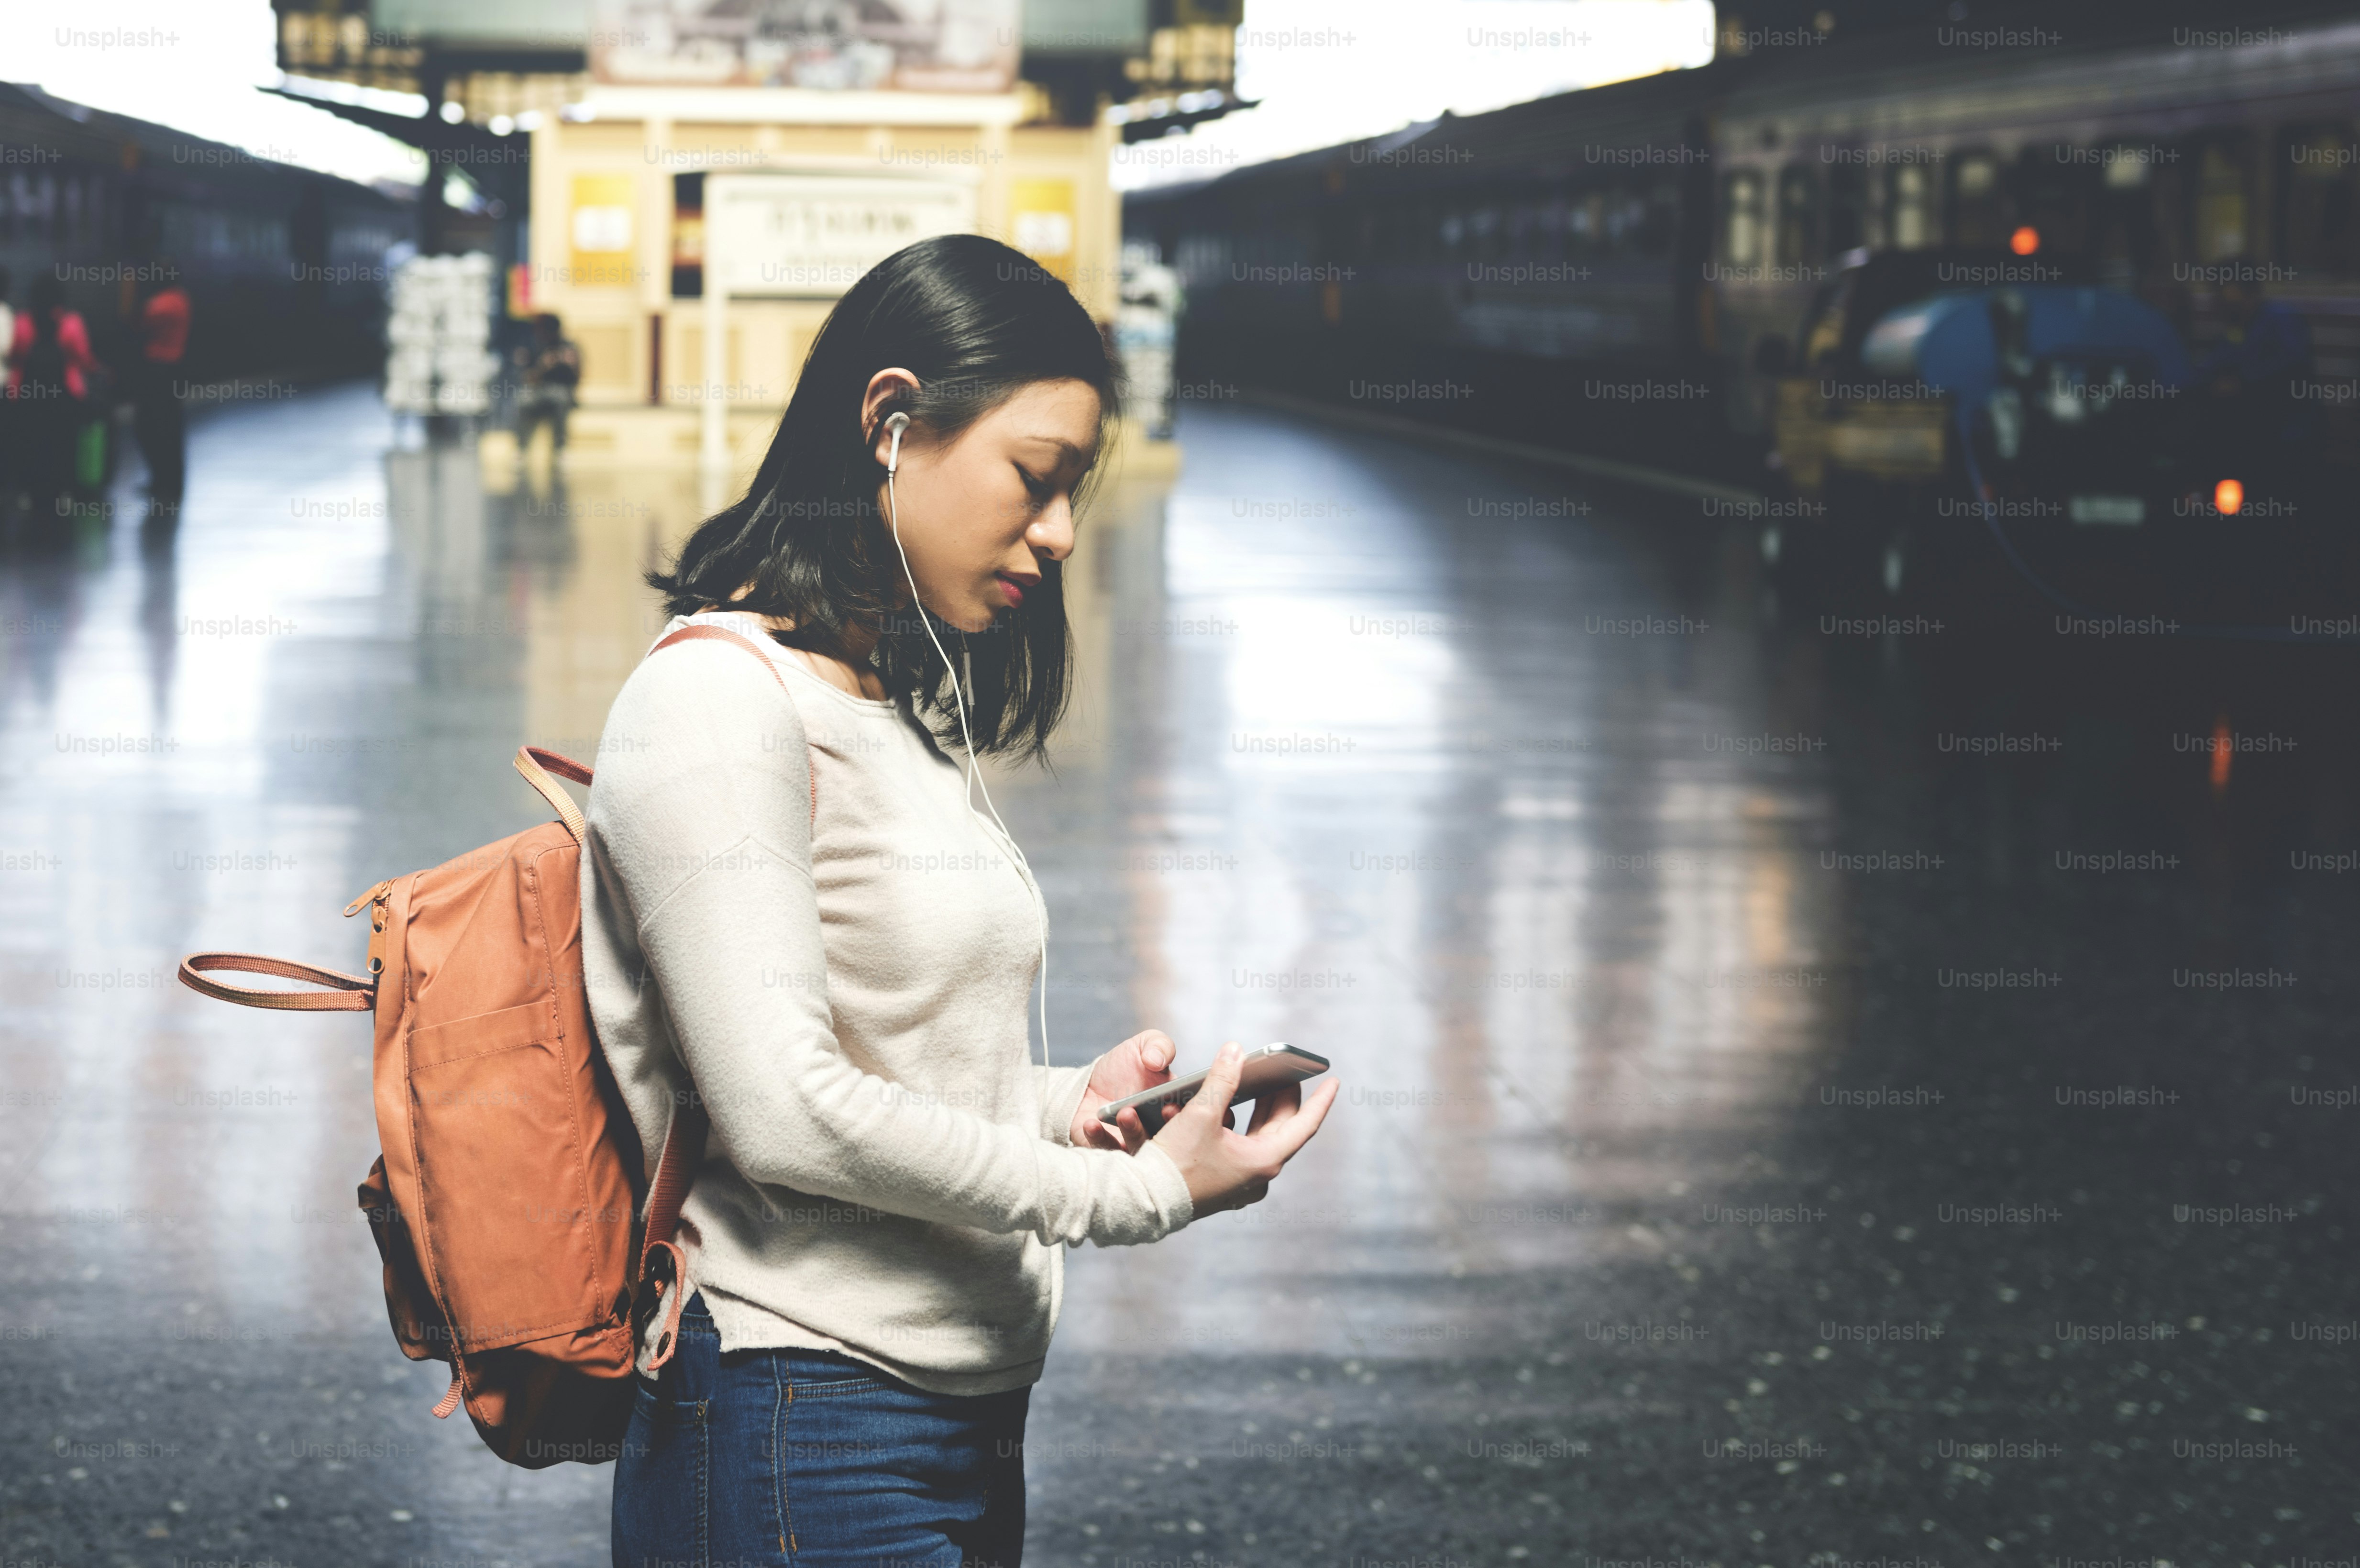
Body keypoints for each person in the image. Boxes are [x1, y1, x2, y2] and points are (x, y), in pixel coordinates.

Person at [588, 234, 1337, 1567]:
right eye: (1032, 480)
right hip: (794, 1412)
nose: (1055, 534)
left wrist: (1070, 1105)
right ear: (889, 422)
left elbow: (892, 1048)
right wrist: (1138, 1192)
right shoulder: (714, 700)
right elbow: (783, 1108)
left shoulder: (900, 694)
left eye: (1070, 495)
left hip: (959, 1407)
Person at [8, 276, 106, 520]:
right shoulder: (71, 323)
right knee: (63, 443)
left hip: (27, 394)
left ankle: (32, 492)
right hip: (66, 394)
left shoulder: (23, 322)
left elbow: (15, 355)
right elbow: (84, 359)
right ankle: (63, 491)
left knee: (31, 443)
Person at [133, 262, 190, 515]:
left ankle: (159, 479)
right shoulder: (182, 300)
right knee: (172, 426)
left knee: (148, 425)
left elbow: (138, 327)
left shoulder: (159, 305)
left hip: (157, 369)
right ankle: (173, 482)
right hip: (176, 368)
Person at [512, 311, 580, 455]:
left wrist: (570, 364)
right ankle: (521, 449)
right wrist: (543, 366)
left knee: (561, 399)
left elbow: (577, 378)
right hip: (539, 390)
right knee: (523, 400)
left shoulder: (568, 347)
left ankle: (560, 450)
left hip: (561, 391)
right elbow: (527, 378)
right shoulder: (534, 347)